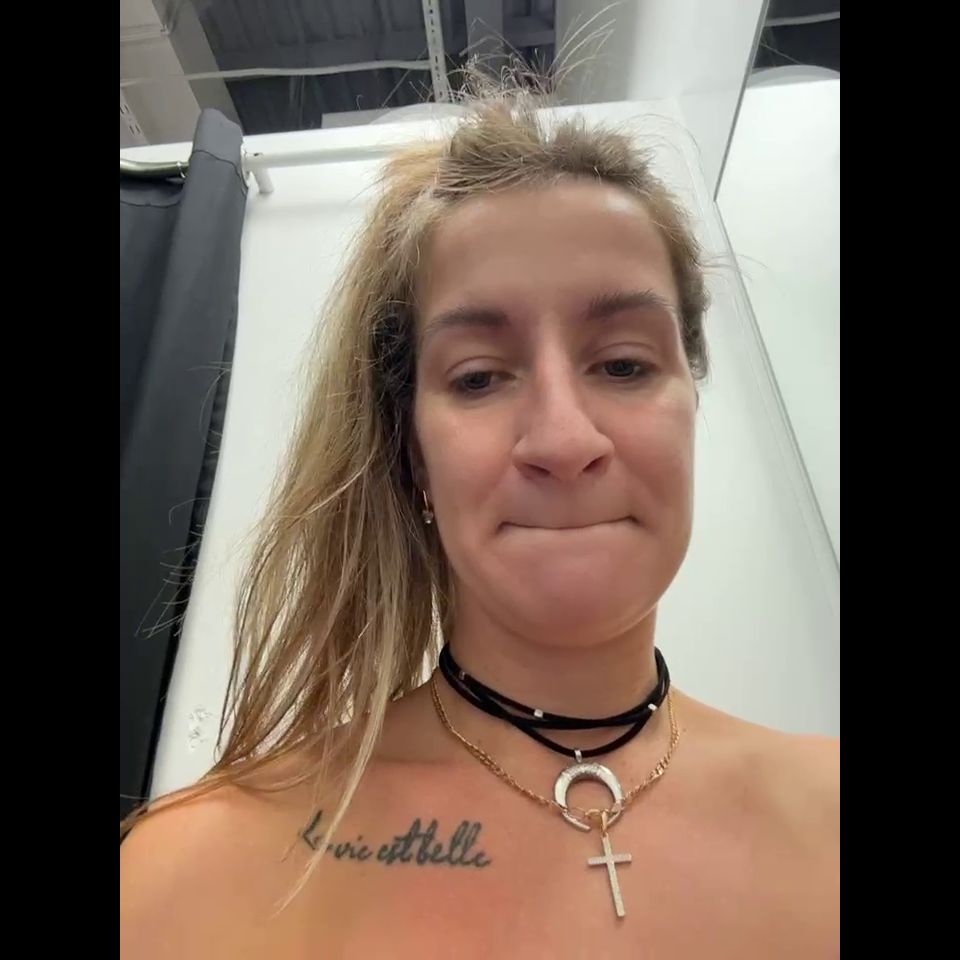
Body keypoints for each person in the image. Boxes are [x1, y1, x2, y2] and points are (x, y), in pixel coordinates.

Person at [120, 85, 839, 958]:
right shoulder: (189, 877)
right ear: (414, 454)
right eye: (479, 377)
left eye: (622, 364)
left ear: (691, 401)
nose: (564, 440)